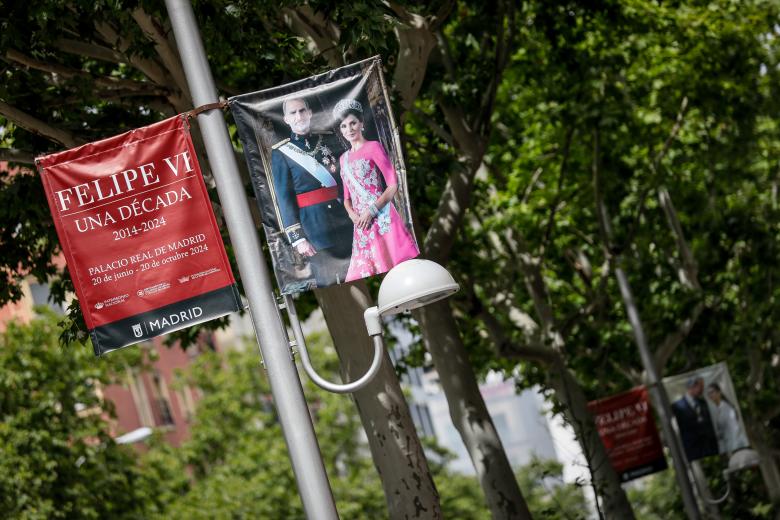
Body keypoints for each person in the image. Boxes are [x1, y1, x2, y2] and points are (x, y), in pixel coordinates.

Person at [332, 98, 419, 281]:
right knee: (374, 272)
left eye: (353, 123)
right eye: (344, 126)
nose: (350, 129)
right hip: (361, 223)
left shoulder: (373, 147)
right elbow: (346, 197)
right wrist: (353, 215)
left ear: (361, 123)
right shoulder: (343, 159)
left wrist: (371, 211)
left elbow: (392, 184)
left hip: (381, 216)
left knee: (399, 267)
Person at [270, 97, 354, 286]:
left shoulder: (329, 140)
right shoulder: (281, 152)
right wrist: (298, 238)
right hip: (314, 230)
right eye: (293, 113)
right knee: (331, 284)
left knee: (358, 274)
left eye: (302, 111)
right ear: (286, 119)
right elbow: (284, 199)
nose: (299, 116)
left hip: (345, 220)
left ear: (309, 113)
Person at [671, 377, 719, 461]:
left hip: (710, 448)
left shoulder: (703, 403)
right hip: (692, 451)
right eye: (700, 387)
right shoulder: (676, 407)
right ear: (692, 387)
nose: (702, 390)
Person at [706, 383, 749, 453]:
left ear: (719, 392)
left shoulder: (727, 408)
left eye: (712, 392)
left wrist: (734, 449)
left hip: (737, 445)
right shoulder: (719, 409)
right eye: (708, 394)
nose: (710, 395)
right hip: (731, 444)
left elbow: (735, 429)